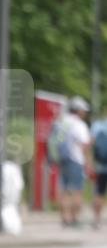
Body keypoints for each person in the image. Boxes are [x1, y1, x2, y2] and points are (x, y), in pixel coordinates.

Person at [53, 96, 93, 227]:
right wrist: (88, 163)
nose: (85, 113)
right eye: (84, 110)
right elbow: (85, 145)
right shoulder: (79, 125)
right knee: (77, 190)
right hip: (76, 160)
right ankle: (74, 219)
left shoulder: (62, 122)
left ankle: (64, 219)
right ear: (79, 110)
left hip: (62, 159)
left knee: (64, 190)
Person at [90, 106, 107, 229]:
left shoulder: (97, 126)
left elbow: (90, 145)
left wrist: (89, 163)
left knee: (98, 193)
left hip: (100, 166)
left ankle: (96, 220)